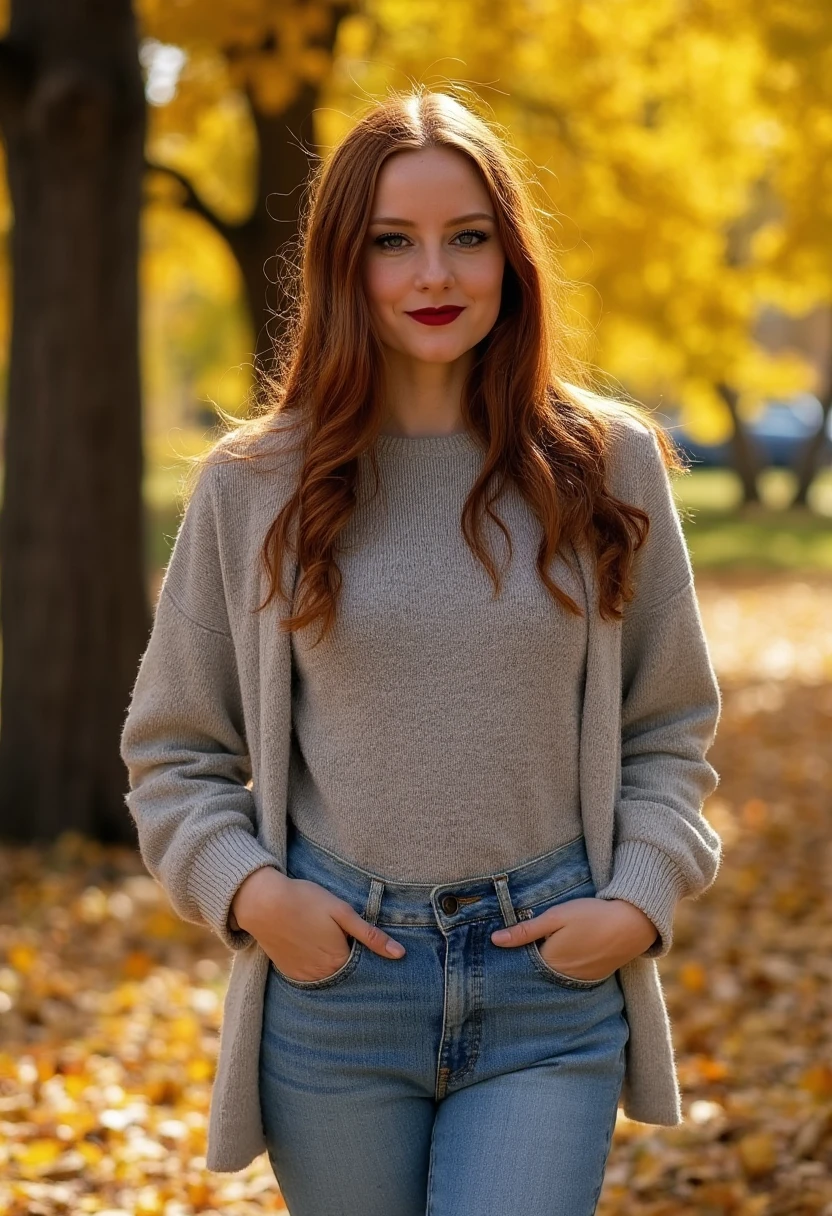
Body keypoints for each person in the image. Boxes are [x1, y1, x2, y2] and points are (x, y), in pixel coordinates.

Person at [120, 87, 723, 1216]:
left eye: (467, 238)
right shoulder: (255, 486)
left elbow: (671, 726)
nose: (432, 276)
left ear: (511, 255)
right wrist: (254, 895)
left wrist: (637, 900)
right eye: (393, 243)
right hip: (337, 988)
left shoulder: (608, 465)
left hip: (549, 980)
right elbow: (173, 751)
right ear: (345, 264)